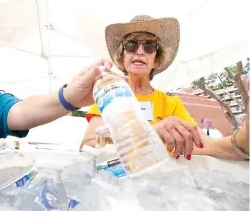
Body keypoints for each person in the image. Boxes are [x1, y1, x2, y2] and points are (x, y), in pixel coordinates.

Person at [82, 15, 203, 160]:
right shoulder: (108, 95)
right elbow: (88, 146)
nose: (140, 51)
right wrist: (150, 133)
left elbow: (203, 143)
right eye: (131, 45)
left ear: (156, 60)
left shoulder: (171, 103)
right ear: (123, 57)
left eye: (149, 46)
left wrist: (236, 141)